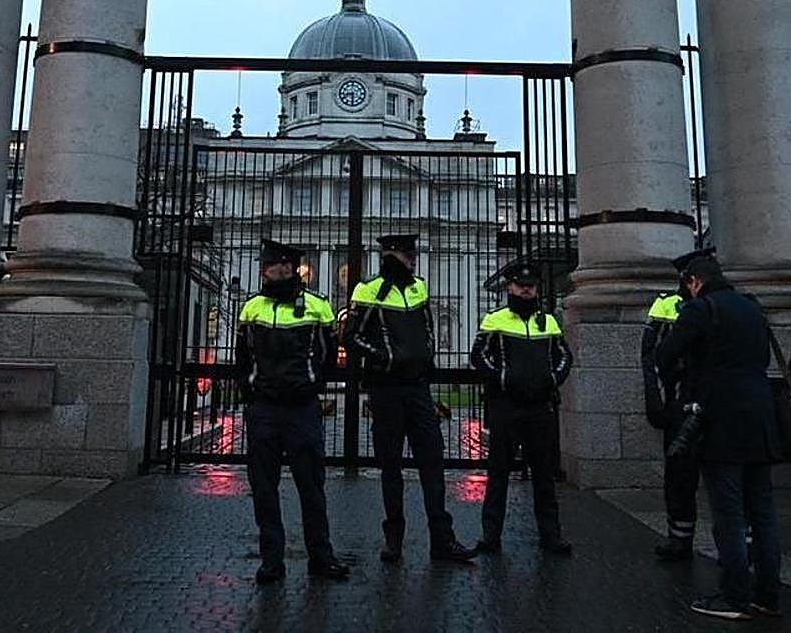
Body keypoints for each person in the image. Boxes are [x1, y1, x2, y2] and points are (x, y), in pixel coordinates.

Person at [656, 254, 783, 620]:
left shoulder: (700, 310)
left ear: (694, 281)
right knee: (762, 511)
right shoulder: (751, 307)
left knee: (728, 512)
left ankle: (735, 596)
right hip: (761, 418)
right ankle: (768, 595)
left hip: (720, 419)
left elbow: (665, 356)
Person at [344, 234, 476, 564]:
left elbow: (427, 327)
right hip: (386, 388)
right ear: (392, 255)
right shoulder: (368, 289)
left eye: (412, 253)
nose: (413, 258)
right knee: (391, 466)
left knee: (433, 461)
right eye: (407, 254)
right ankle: (394, 537)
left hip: (417, 387)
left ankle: (442, 539)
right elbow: (351, 336)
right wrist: (385, 357)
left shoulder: (418, 287)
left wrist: (426, 356)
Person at [234, 238, 351, 584]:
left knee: (311, 485)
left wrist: (312, 383)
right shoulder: (251, 308)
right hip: (265, 408)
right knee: (264, 488)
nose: (282, 269)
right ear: (264, 270)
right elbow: (243, 357)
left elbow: (328, 354)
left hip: (301, 407)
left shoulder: (318, 306)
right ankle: (272, 559)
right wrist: (251, 391)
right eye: (275, 264)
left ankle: (321, 554)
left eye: (287, 264)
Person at [470, 259, 573, 555]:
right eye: (521, 285)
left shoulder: (549, 321)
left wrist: (553, 378)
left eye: (531, 286)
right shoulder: (495, 319)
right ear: (510, 287)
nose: (526, 291)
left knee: (544, 475)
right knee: (498, 473)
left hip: (540, 407)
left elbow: (564, 356)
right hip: (506, 406)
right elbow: (480, 356)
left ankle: (551, 534)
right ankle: (491, 534)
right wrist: (503, 378)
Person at [639, 247, 715, 561]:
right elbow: (651, 356)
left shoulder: (718, 305)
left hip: (714, 401)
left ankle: (737, 543)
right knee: (679, 475)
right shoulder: (666, 304)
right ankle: (680, 537)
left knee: (721, 474)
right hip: (679, 400)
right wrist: (655, 398)